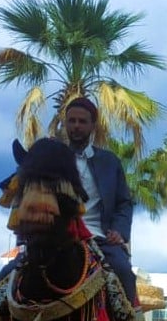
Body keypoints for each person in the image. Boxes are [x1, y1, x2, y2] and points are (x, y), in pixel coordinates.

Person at [51, 96, 138, 308]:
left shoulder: (109, 162)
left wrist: (119, 231)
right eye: (71, 121)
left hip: (99, 238)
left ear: (92, 126)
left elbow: (124, 202)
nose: (76, 126)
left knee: (124, 272)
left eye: (82, 121)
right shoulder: (51, 158)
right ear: (65, 124)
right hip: (55, 236)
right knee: (11, 272)